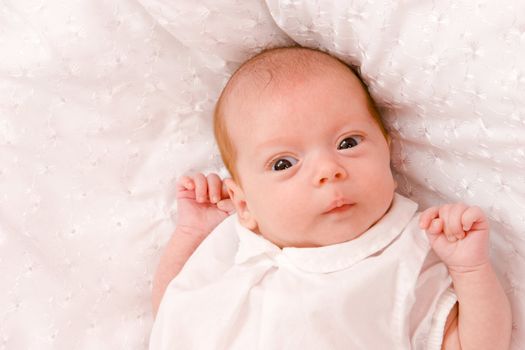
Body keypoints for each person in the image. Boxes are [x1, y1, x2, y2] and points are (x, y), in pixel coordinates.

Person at [150, 47, 512, 349]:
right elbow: (173, 314)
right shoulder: (232, 245)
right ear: (243, 204)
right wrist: (190, 235)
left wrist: (470, 270)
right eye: (283, 163)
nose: (327, 169)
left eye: (348, 143)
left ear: (387, 151)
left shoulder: (405, 254)